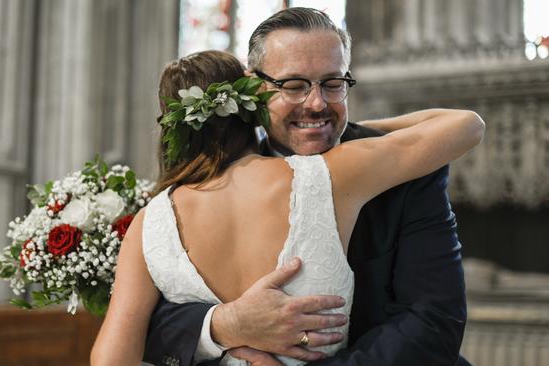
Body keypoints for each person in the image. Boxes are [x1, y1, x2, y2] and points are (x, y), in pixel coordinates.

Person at [91, 44, 484, 366]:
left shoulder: (149, 220)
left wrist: (355, 134)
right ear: (255, 99)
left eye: (332, 84)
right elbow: (465, 125)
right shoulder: (328, 175)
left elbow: (110, 357)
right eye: (295, 85)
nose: (315, 104)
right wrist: (222, 325)